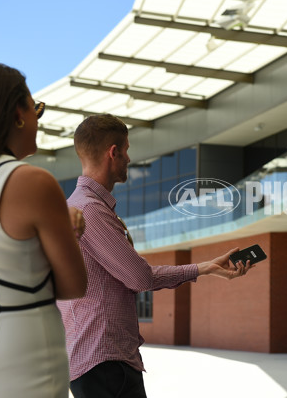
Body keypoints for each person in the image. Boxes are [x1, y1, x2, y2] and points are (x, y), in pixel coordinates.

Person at [57, 113, 256, 398]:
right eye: (126, 150)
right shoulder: (90, 210)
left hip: (97, 360)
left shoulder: (78, 206)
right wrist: (201, 268)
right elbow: (139, 277)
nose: (128, 158)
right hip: (105, 361)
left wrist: (205, 267)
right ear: (113, 153)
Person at [0, 63, 87, 398]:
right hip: (27, 350)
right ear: (18, 113)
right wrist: (69, 229)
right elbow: (75, 284)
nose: (37, 119)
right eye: (37, 109)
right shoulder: (31, 181)